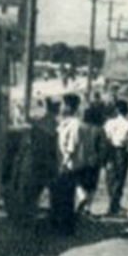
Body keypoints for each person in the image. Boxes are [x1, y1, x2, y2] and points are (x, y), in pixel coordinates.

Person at [50, 93, 82, 234]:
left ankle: (66, 228)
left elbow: (72, 146)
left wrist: (64, 163)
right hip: (59, 164)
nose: (61, 107)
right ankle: (58, 225)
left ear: (69, 107)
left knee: (65, 198)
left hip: (67, 166)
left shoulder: (74, 124)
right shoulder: (63, 122)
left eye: (63, 104)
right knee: (58, 196)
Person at [103, 98, 128, 216]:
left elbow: (105, 139)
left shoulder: (109, 123)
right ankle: (114, 204)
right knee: (120, 179)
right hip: (122, 152)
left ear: (116, 110)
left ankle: (113, 203)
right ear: (126, 111)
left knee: (110, 177)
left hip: (109, 150)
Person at [74, 105, 107, 214]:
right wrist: (102, 161)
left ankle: (81, 197)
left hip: (79, 158)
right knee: (92, 185)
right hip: (94, 161)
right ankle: (87, 207)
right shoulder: (100, 130)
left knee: (78, 182)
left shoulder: (80, 128)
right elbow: (103, 147)